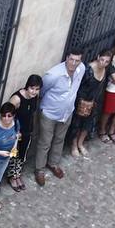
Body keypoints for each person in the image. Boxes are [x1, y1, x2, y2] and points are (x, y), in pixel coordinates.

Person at [33, 50, 85, 185]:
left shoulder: (82, 69)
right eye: (71, 59)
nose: (74, 63)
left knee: (59, 139)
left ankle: (53, 163)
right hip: (50, 113)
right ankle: (39, 169)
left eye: (77, 60)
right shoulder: (53, 75)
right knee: (45, 142)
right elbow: (42, 91)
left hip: (67, 112)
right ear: (67, 58)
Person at [4, 76, 42, 191]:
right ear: (27, 86)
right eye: (32, 88)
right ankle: (11, 176)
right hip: (16, 133)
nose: (34, 92)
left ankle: (17, 174)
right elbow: (7, 117)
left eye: (37, 89)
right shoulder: (17, 99)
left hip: (27, 131)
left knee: (22, 154)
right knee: (14, 154)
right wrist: (14, 132)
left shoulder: (35, 97)